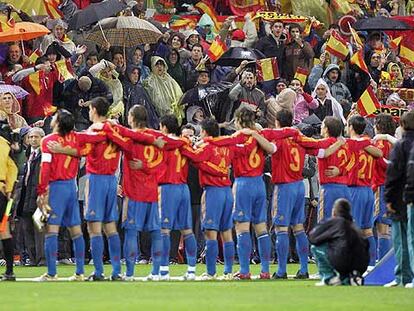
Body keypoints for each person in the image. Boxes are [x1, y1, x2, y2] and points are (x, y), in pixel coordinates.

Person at [35, 109, 104, 281]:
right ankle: (80, 272)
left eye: (55, 117)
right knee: (75, 230)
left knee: (51, 230)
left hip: (56, 187)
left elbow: (45, 168)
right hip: (71, 187)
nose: (52, 118)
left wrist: (42, 191)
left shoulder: (48, 141)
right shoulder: (77, 138)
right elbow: (95, 141)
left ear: (58, 123)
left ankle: (51, 273)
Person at [102, 105, 164, 281]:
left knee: (131, 231)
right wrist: (147, 166)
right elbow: (162, 163)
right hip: (152, 191)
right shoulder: (156, 137)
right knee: (155, 231)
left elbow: (114, 138)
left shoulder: (130, 140)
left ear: (131, 117)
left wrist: (107, 124)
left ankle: (129, 273)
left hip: (134, 192)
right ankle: (156, 272)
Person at [181, 118, 236, 280]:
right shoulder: (227, 146)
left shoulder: (207, 146)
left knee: (210, 233)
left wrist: (185, 143)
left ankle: (211, 272)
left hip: (213, 192)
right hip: (227, 191)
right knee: (226, 233)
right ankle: (228, 272)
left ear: (204, 132)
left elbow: (192, 156)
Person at [158, 114, 198, 281]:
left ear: (165, 127)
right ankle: (191, 270)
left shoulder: (163, 143)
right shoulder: (185, 143)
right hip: (184, 188)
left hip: (169, 188)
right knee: (187, 230)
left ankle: (164, 271)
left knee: (165, 230)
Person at [309, 199, 369, 286]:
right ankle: (350, 277)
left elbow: (313, 238)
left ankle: (329, 278)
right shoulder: (355, 226)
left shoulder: (336, 222)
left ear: (334, 211)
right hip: (361, 265)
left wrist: (327, 238)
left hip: (341, 261)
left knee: (316, 247)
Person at [385, 110, 414, 288]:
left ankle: (403, 277)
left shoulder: (402, 145)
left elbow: (393, 174)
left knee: (402, 238)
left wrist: (388, 197)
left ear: (402, 125)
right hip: (408, 193)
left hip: (402, 196)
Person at [15, 127, 45, 267]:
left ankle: (42, 259)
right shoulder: (26, 154)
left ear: (42, 139)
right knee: (26, 229)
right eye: (31, 137)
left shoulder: (45, 155)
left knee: (39, 229)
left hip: (39, 196)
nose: (33, 139)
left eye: (36, 137)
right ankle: (32, 259)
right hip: (25, 196)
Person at [371, 114, 397, 260]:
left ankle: (378, 263)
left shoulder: (380, 142)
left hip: (380, 186)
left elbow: (382, 163)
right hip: (390, 186)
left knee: (380, 227)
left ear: (379, 126)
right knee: (384, 227)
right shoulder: (394, 142)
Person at [0, 121, 18, 281]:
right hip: (2, 190)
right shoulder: (5, 145)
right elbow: (13, 168)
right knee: (4, 230)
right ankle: (10, 271)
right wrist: (9, 190)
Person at [143, 56, 184, 121]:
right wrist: (167, 110)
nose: (159, 66)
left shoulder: (169, 78)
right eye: (157, 64)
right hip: (159, 116)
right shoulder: (149, 82)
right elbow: (156, 100)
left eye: (161, 64)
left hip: (174, 113)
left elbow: (178, 93)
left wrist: (177, 105)